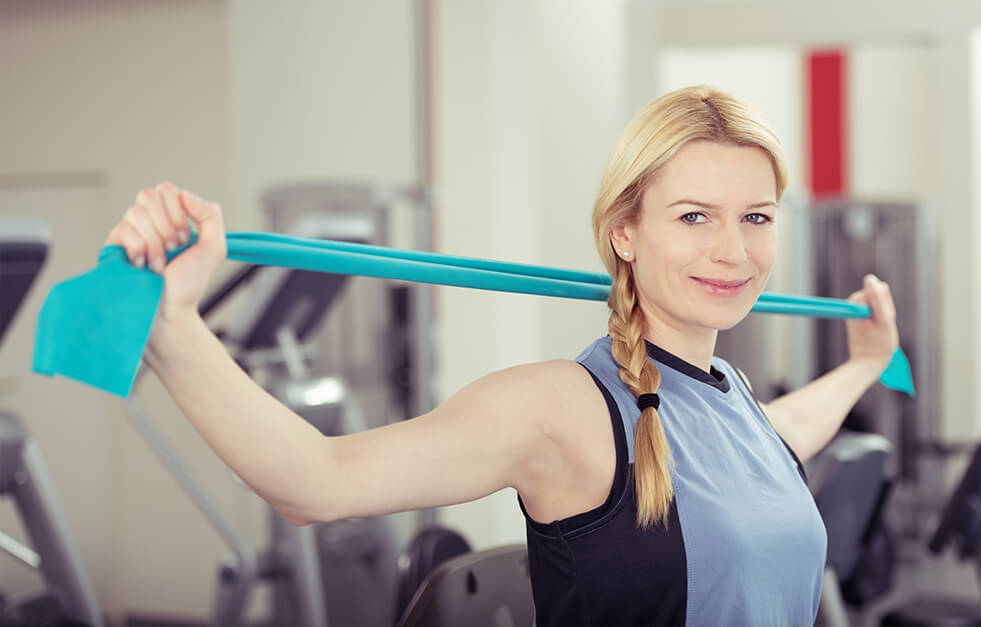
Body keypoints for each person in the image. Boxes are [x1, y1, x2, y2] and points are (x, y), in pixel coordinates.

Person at [105, 85, 900, 626]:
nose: (733, 250)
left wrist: (866, 363)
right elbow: (318, 481)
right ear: (624, 231)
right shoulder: (562, 409)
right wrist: (174, 328)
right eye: (695, 216)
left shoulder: (731, 395)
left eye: (756, 218)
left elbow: (783, 435)